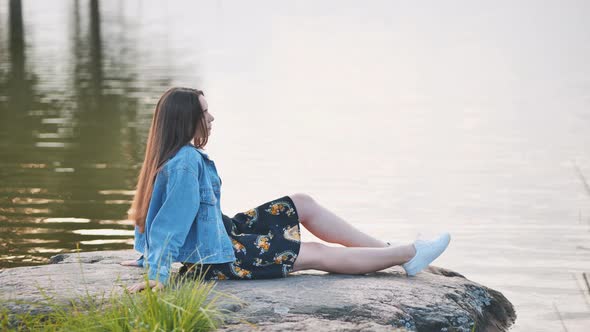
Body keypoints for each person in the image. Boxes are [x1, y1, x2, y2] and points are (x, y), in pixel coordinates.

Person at [121, 87, 451, 293]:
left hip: (224, 233)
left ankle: (385, 252)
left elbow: (150, 211)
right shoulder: (184, 163)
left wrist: (145, 253)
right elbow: (170, 222)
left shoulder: (172, 155)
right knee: (316, 253)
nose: (212, 117)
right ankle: (408, 253)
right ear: (185, 120)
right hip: (220, 258)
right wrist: (158, 273)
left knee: (301, 203)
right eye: (205, 112)